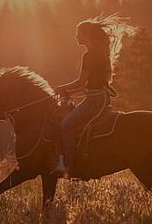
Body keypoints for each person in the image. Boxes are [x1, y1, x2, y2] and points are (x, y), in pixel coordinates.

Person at [53, 16, 135, 176]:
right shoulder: (101, 52)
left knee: (66, 125)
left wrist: (61, 88)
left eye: (79, 33)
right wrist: (67, 91)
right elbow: (87, 84)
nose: (76, 37)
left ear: (87, 35)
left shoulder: (89, 56)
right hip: (100, 98)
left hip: (94, 100)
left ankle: (68, 167)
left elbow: (81, 82)